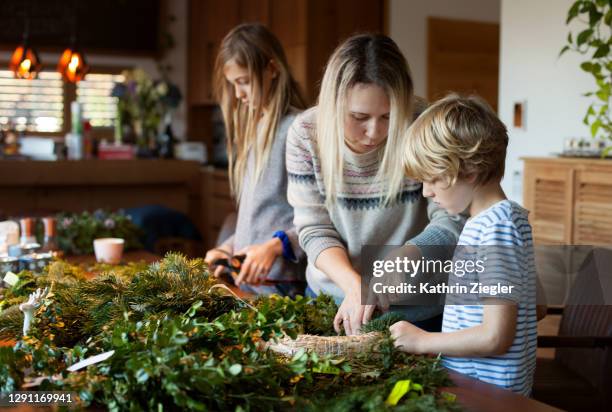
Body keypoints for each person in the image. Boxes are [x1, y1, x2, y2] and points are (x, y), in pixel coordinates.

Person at [286, 34, 464, 335]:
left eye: (388, 116)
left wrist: (409, 255)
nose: (375, 131)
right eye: (359, 117)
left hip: (417, 310)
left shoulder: (423, 123)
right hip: (332, 302)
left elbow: (452, 217)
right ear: (333, 104)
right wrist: (356, 286)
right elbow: (314, 229)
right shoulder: (306, 134)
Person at [390, 94, 538, 396]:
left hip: (490, 395)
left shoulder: (495, 228)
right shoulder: (507, 220)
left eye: (432, 178)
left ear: (469, 171)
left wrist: (423, 341)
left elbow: (496, 336)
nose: (426, 192)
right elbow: (539, 305)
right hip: (481, 384)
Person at [204, 23, 307, 296]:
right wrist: (228, 247)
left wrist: (274, 247)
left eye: (244, 81)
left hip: (282, 289)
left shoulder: (298, 129)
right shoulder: (254, 129)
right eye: (233, 84)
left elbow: (319, 220)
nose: (238, 94)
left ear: (272, 69)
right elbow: (261, 218)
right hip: (248, 283)